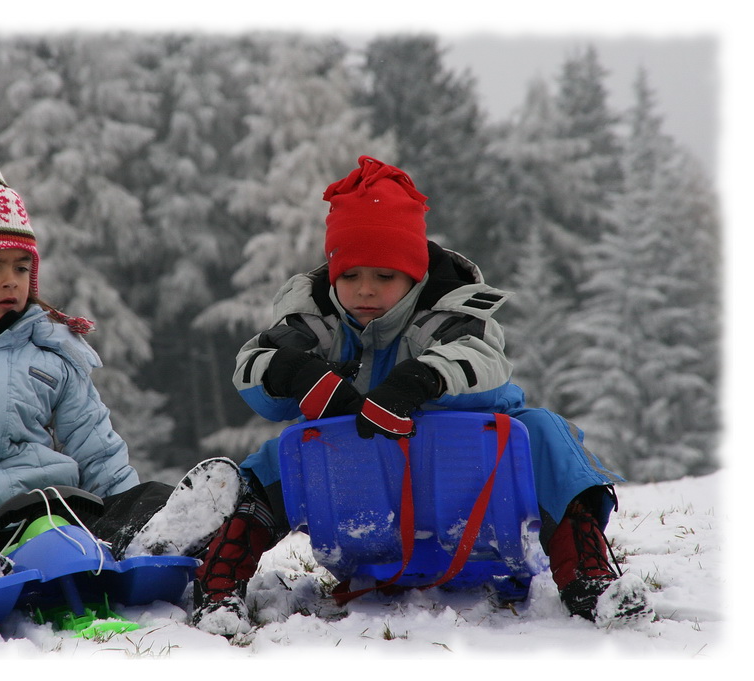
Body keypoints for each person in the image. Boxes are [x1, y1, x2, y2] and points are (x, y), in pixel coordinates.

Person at [191, 155, 650, 636]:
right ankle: (220, 585)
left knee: (545, 434)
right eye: (350, 276)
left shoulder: (452, 309)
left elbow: (486, 362)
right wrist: (297, 372)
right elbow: (251, 368)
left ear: (414, 275)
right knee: (275, 461)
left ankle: (588, 577)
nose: (365, 290)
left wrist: (422, 379)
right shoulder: (314, 320)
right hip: (367, 496)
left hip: (470, 483)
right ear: (333, 275)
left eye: (384, 277)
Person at [0, 158, 242, 602]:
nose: (10, 280)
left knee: (149, 497)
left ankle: (147, 541)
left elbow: (95, 443)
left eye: (20, 267)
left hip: (52, 509)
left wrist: (128, 502)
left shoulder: (52, 352)